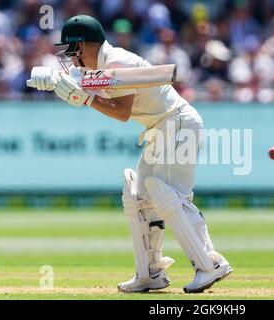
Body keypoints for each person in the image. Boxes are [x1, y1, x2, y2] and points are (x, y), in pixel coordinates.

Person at [28, 15, 232, 294]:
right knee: (139, 198)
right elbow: (78, 80)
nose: (70, 57)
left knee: (169, 195)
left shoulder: (117, 62)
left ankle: (209, 264)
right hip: (161, 126)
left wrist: (85, 98)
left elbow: (121, 112)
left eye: (72, 49)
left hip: (177, 122)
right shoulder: (97, 66)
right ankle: (151, 273)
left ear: (87, 45)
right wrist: (53, 80)